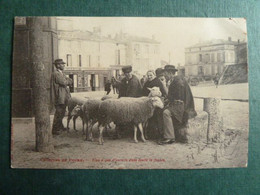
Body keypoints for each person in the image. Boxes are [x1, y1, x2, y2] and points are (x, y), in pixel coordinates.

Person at [158, 65, 197, 145]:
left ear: (170, 73)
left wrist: (164, 86)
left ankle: (169, 137)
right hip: (180, 104)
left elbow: (177, 97)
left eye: (165, 73)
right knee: (161, 110)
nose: (164, 75)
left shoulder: (178, 81)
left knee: (166, 112)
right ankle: (163, 134)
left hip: (182, 106)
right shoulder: (176, 80)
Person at [142, 70, 167, 139]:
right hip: (148, 103)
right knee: (148, 118)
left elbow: (162, 93)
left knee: (156, 117)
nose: (149, 77)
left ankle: (159, 135)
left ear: (154, 75)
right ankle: (149, 134)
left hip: (157, 103)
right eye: (148, 75)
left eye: (151, 75)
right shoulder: (146, 83)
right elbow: (143, 92)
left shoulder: (158, 82)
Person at [51, 59, 73, 135]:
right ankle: (55, 129)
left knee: (62, 112)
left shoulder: (61, 73)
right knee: (59, 112)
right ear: (58, 65)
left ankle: (60, 126)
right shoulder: (56, 74)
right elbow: (64, 82)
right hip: (59, 96)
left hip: (63, 96)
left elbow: (69, 81)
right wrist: (68, 81)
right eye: (62, 64)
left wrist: (68, 81)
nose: (64, 65)